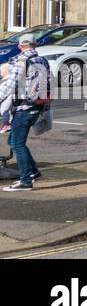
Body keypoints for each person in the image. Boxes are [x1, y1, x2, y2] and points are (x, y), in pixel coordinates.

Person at [0, 35, 50, 191]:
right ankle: (33, 172)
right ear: (34, 45)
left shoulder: (21, 61)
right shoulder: (42, 60)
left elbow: (10, 84)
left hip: (24, 107)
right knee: (12, 141)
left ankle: (26, 181)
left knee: (17, 144)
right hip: (37, 105)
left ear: (20, 46)